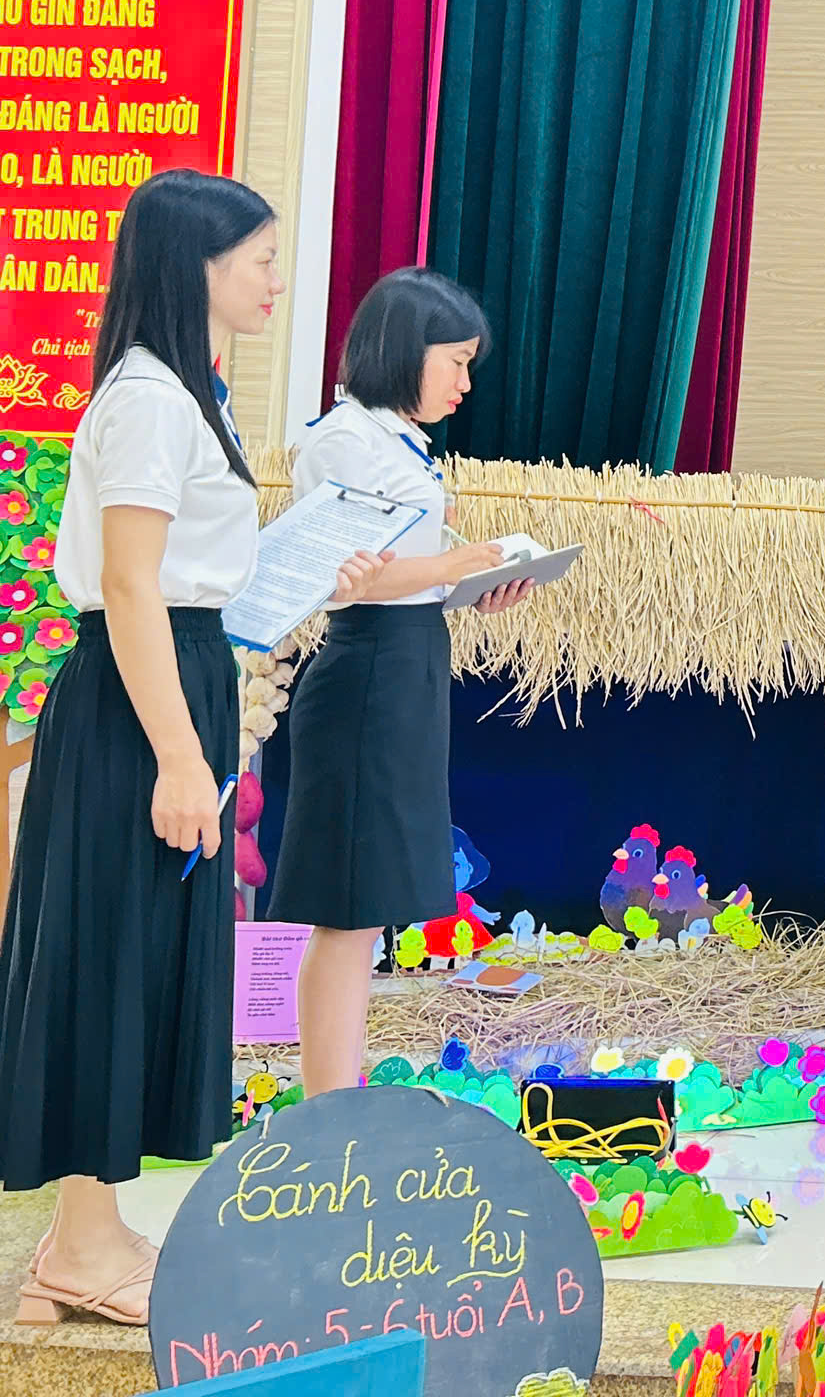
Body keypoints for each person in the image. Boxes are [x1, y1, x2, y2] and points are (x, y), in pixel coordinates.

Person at [0, 170, 379, 1325]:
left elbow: (187, 581)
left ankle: (87, 1231)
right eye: (260, 259)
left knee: (141, 953)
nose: (276, 280)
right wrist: (174, 756)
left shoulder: (186, 395)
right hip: (137, 703)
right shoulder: (150, 401)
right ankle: (81, 1246)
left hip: (179, 681)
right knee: (106, 955)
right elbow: (129, 587)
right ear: (197, 264)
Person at [267, 269, 533, 1098]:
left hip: (411, 661)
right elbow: (346, 578)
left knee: (371, 904)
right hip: (367, 672)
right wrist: (458, 563)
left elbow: (406, 574)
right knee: (346, 909)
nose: (464, 384)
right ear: (403, 350)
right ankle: (328, 1106)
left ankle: (339, 1095)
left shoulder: (400, 440)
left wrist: (474, 586)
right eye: (456, 361)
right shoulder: (344, 439)